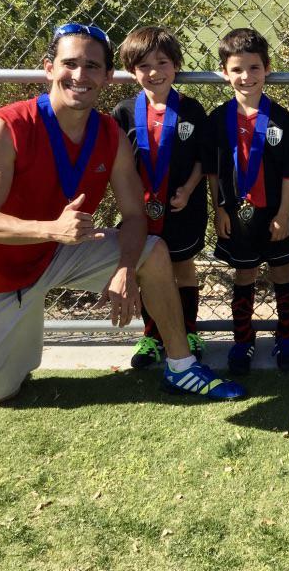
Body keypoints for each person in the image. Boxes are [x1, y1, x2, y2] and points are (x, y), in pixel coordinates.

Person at [0, 22, 245, 401]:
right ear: (49, 68)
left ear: (108, 76)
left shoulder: (109, 133)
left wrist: (126, 268)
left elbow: (135, 216)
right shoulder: (5, 127)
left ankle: (182, 367)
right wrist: (51, 229)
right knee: (0, 389)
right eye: (69, 63)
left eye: (92, 66)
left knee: (153, 251)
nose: (80, 75)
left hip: (57, 250)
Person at [206, 28, 289, 375]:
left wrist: (284, 213)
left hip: (275, 213)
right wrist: (219, 208)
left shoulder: (280, 118)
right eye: (237, 69)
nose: (246, 76)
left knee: (282, 271)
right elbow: (213, 172)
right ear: (225, 73)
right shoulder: (218, 119)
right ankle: (242, 340)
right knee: (244, 273)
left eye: (254, 68)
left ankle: (286, 338)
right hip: (237, 215)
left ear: (267, 69)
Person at [111, 27, 209, 369]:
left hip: (183, 208)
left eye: (162, 63)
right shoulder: (124, 112)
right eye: (144, 66)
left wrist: (189, 188)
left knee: (183, 268)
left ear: (176, 65)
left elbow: (202, 159)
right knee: (146, 271)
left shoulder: (191, 110)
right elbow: (119, 165)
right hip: (141, 212)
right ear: (131, 71)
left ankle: (189, 332)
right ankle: (153, 336)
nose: (154, 72)